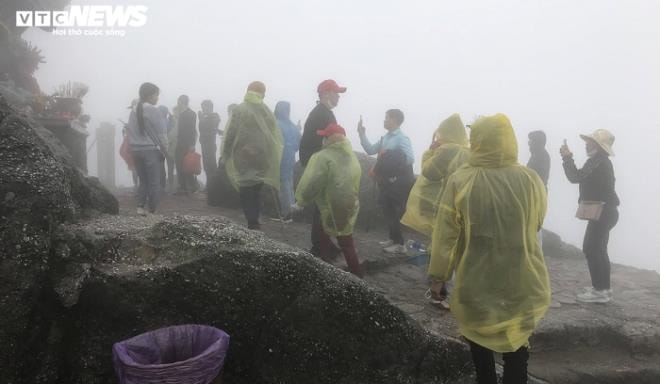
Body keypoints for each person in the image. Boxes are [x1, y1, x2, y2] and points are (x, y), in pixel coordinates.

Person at [428, 114, 550, 384]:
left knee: (478, 341)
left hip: (478, 277)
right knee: (517, 344)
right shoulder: (531, 179)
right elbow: (538, 220)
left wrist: (439, 277)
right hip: (522, 276)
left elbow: (446, 235)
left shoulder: (462, 180)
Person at [295, 123, 363, 277]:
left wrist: (301, 202)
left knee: (322, 238)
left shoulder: (323, 157)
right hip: (348, 205)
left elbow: (313, 183)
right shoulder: (351, 157)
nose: (323, 140)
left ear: (330, 138)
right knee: (346, 242)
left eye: (325, 137)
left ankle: (324, 273)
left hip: (327, 206)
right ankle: (358, 276)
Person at [560, 129, 619, 304]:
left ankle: (600, 291)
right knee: (599, 249)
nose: (586, 144)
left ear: (599, 146)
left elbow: (575, 177)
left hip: (603, 212)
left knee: (591, 248)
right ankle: (603, 289)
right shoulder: (601, 162)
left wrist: (567, 158)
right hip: (607, 212)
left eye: (590, 142)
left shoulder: (598, 162)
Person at [221, 81, 283, 229]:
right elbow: (273, 134)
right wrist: (269, 154)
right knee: (256, 187)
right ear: (262, 93)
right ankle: (255, 217)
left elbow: (231, 132)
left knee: (245, 188)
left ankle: (252, 220)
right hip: (262, 156)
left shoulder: (240, 109)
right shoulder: (266, 110)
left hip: (243, 155)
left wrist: (226, 152)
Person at [401, 113, 469, 238]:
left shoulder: (447, 150)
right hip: (457, 202)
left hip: (441, 201)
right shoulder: (466, 151)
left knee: (439, 239)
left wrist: (431, 151)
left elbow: (429, 172)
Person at [299, 79, 346, 258]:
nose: (338, 97)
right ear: (326, 93)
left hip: (315, 162)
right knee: (323, 206)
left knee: (323, 206)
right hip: (318, 164)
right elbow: (327, 143)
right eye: (336, 93)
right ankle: (320, 247)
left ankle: (323, 244)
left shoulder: (321, 112)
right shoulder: (323, 114)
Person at [358, 109, 414, 254]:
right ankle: (392, 238)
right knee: (386, 207)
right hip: (385, 179)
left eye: (387, 118)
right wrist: (361, 134)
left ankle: (400, 244)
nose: (384, 120)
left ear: (395, 120)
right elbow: (370, 150)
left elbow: (409, 158)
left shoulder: (402, 138)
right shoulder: (385, 138)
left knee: (392, 209)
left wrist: (389, 157)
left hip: (397, 180)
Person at [126, 82, 168, 215]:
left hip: (135, 149)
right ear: (150, 95)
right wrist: (165, 149)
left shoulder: (134, 110)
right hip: (150, 150)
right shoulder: (152, 110)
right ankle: (152, 210)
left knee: (143, 180)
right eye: (156, 95)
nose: (157, 98)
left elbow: (130, 130)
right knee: (154, 181)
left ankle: (140, 207)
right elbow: (162, 133)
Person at [274, 101, 302, 222]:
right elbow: (298, 144)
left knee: (283, 184)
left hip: (280, 157)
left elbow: (273, 143)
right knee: (289, 184)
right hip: (290, 157)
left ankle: (287, 214)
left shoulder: (276, 124)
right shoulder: (293, 126)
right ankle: (291, 211)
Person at [173, 95, 198, 195]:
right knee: (179, 164)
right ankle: (183, 186)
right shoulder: (182, 114)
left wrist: (192, 144)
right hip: (180, 142)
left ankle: (191, 186)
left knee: (188, 165)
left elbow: (192, 130)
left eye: (178, 101)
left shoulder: (190, 114)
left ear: (181, 102)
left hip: (186, 143)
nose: (177, 103)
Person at [198, 100, 222, 183]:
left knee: (211, 165)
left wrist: (201, 119)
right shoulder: (207, 117)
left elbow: (210, 128)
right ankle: (210, 185)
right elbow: (202, 129)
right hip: (205, 144)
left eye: (204, 108)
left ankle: (214, 185)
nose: (203, 110)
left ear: (210, 107)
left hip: (210, 145)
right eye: (202, 108)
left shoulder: (214, 116)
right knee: (206, 166)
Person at [157, 105, 173, 190]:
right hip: (167, 145)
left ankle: (162, 185)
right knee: (165, 165)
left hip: (161, 146)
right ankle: (166, 185)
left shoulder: (160, 121)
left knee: (161, 165)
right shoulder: (167, 121)